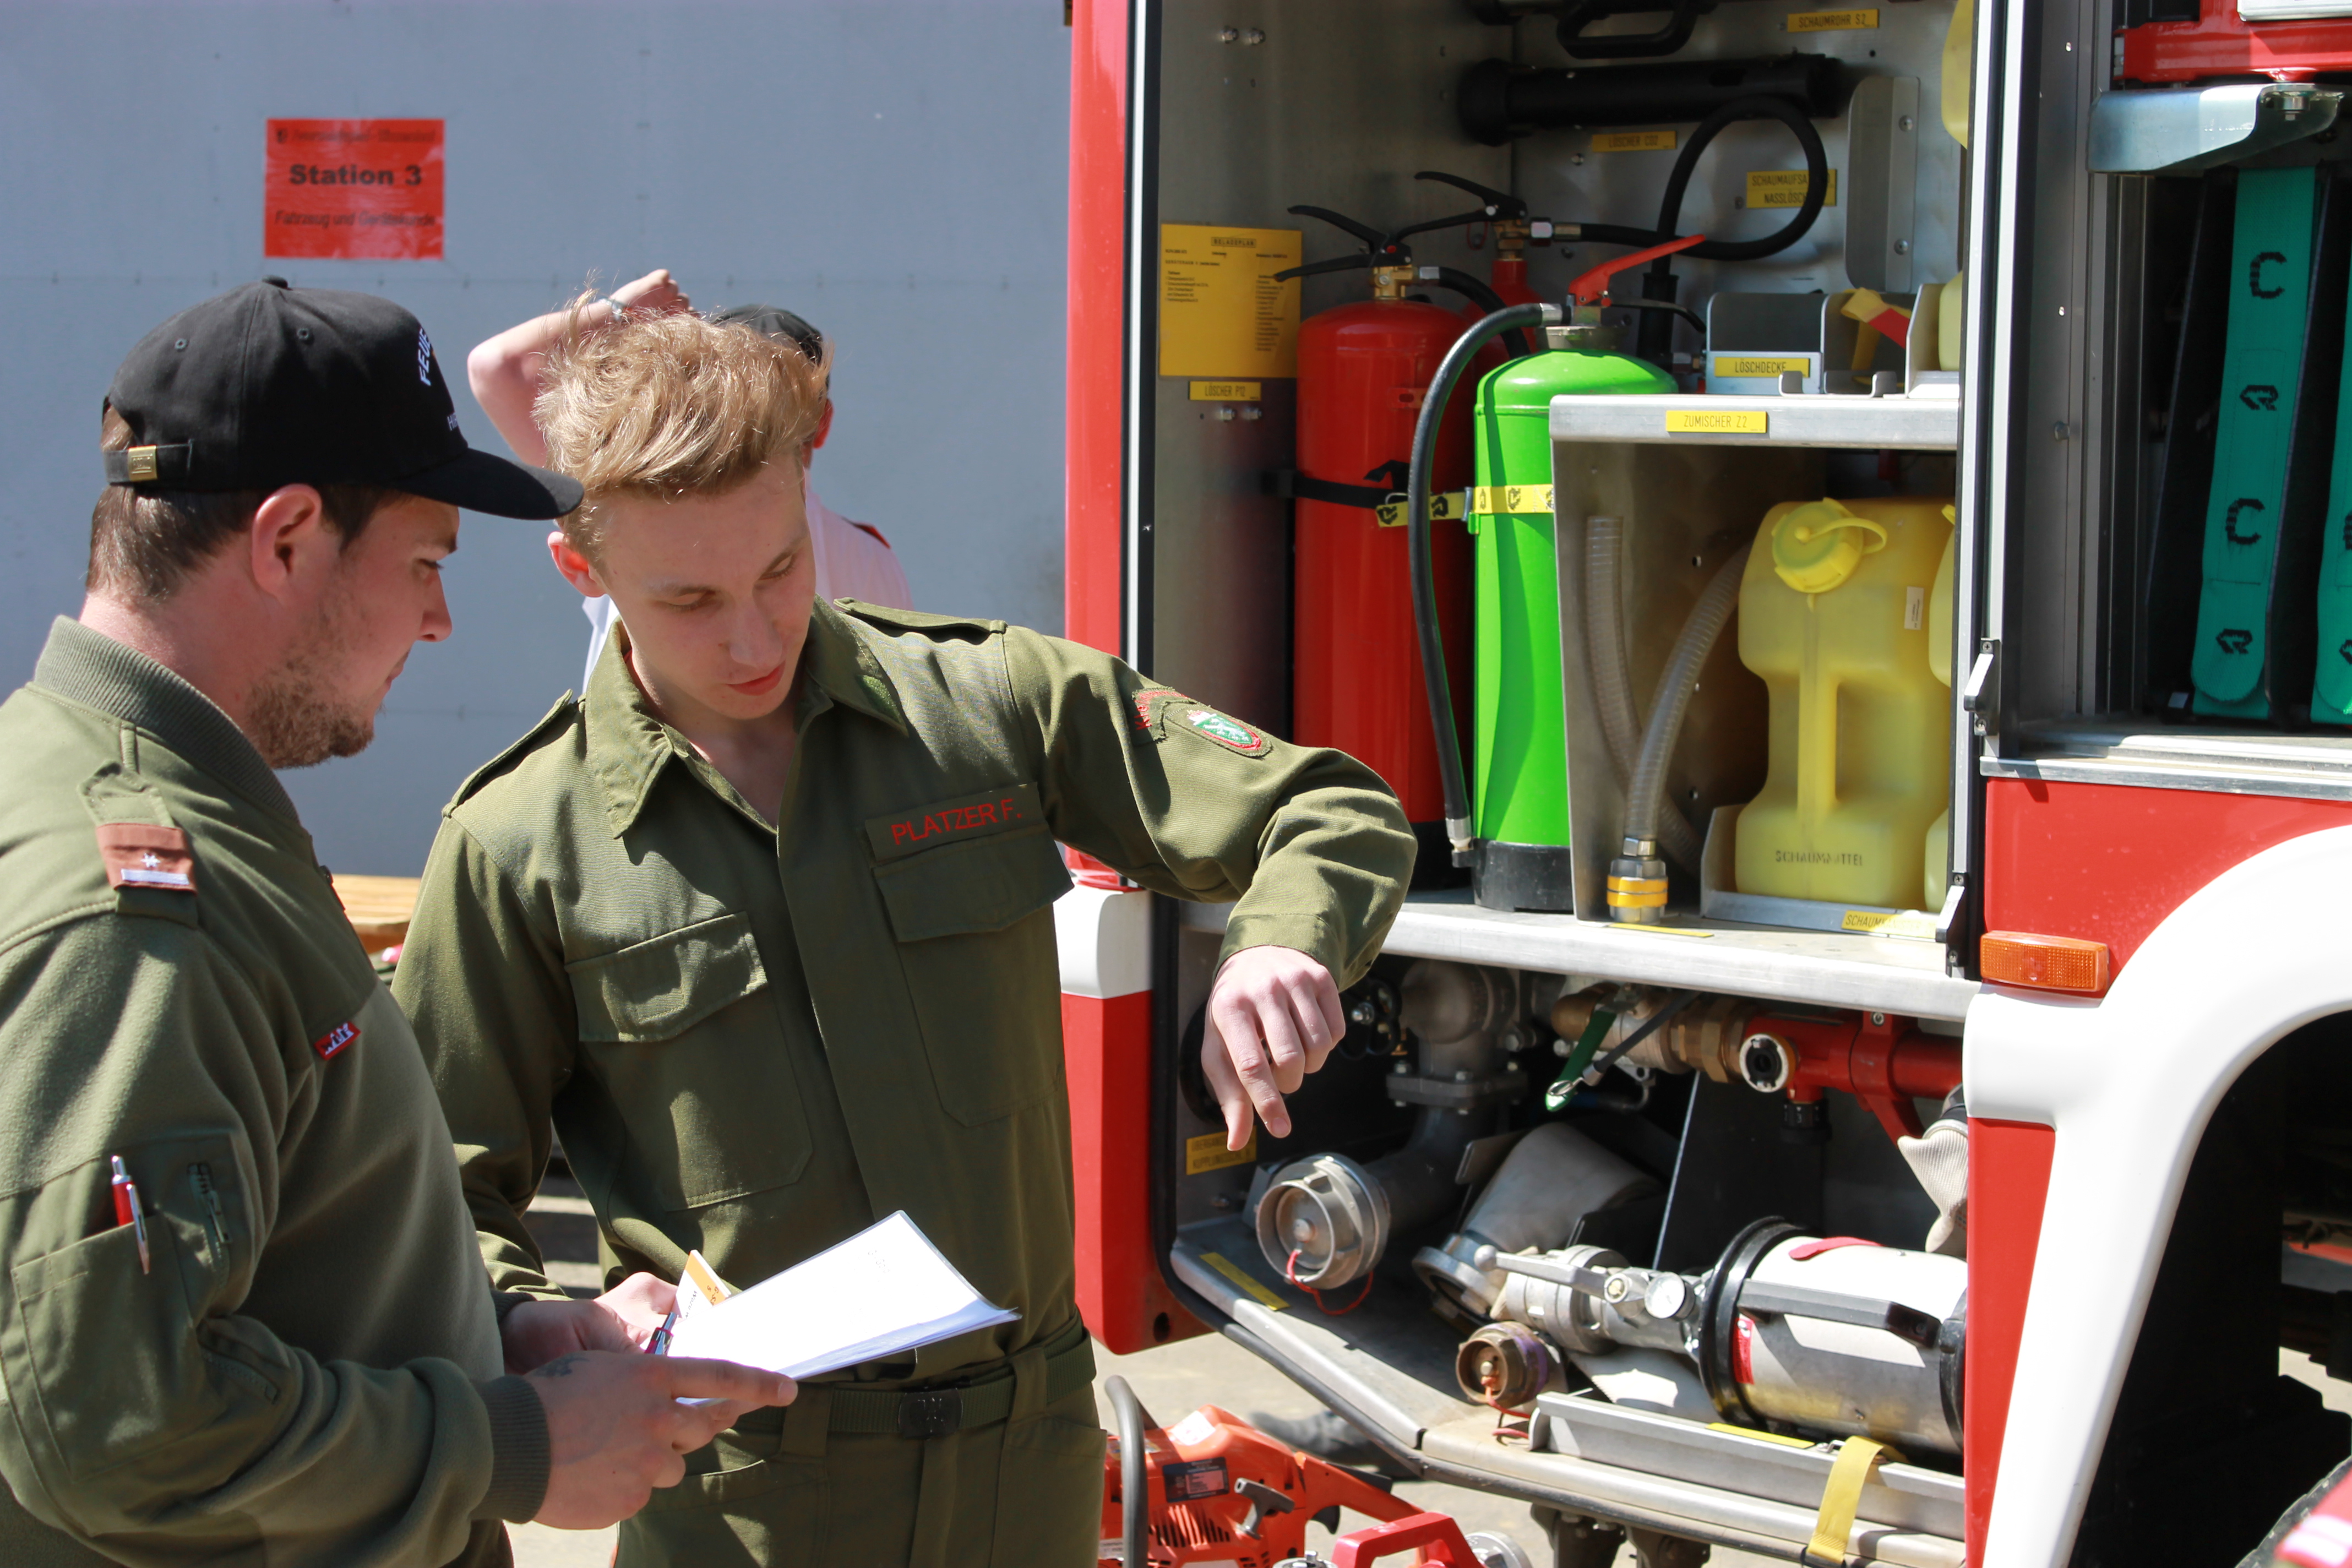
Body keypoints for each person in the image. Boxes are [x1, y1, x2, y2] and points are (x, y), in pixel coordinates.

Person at [394, 308, 1415, 1565]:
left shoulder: (985, 704)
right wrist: (536, 1318)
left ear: (805, 491)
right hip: (750, 1499)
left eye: (780, 567)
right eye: (690, 599)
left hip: (1028, 1470)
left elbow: (1329, 807)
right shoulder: (519, 840)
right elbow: (434, 1193)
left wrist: (1280, 942)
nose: (754, 637)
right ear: (581, 570)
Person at [0, 280, 794, 1567]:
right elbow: (114, 1421)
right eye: (426, 563)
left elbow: (275, 1249)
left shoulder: (100, 788)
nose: (439, 618)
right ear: (287, 538)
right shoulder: (139, 907)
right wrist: (508, 1443)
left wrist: (498, 1330)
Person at [465, 270, 911, 690]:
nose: (758, 652)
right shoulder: (871, 555)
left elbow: (496, 368)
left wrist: (624, 308)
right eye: (691, 600)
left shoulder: (626, 508)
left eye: (780, 570)